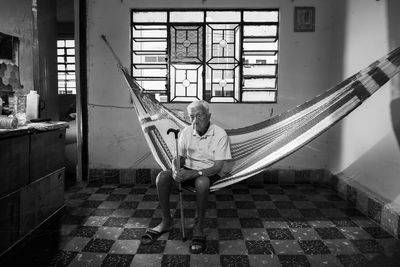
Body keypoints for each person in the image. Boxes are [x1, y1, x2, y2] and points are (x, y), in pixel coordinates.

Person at [141, 100, 232, 254]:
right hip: (189, 169)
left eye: (199, 115)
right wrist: (175, 166)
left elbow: (218, 166)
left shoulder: (220, 134)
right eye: (192, 117)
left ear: (208, 115)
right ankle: (166, 221)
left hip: (209, 171)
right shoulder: (186, 132)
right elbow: (180, 157)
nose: (195, 120)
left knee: (202, 183)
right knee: (162, 177)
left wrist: (195, 173)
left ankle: (199, 227)